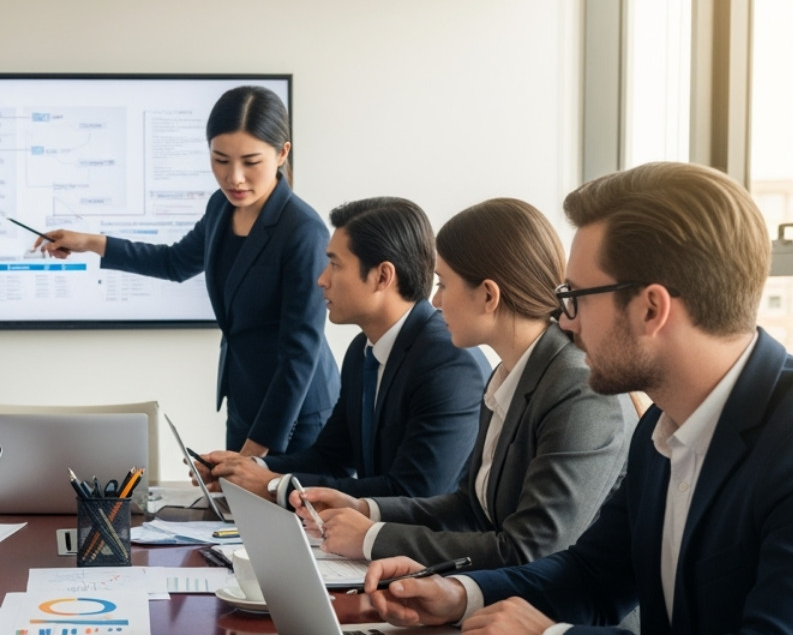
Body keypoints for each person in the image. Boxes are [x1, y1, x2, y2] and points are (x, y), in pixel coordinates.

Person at [361, 162, 793, 635]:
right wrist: (460, 594)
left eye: (575, 298)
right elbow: (594, 574)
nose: (565, 320)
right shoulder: (662, 424)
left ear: (651, 308)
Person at [299, 198, 634, 568]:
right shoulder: (509, 373)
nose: (435, 301)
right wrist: (365, 509)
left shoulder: (576, 389)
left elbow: (530, 549)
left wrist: (373, 538)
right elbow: (469, 508)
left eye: (443, 284)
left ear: (489, 295)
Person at [37, 86, 337, 456]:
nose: (234, 178)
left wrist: (252, 455)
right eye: (221, 160)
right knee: (232, 496)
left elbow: (299, 355)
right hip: (245, 400)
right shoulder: (220, 208)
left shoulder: (303, 231)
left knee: (269, 495)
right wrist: (90, 242)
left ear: (282, 153)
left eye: (250, 162)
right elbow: (175, 262)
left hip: (297, 415)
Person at [208, 197, 487, 502]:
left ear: (382, 276)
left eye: (335, 265)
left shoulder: (448, 362)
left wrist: (274, 485)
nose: (322, 279)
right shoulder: (361, 351)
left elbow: (414, 493)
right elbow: (331, 458)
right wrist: (246, 468)